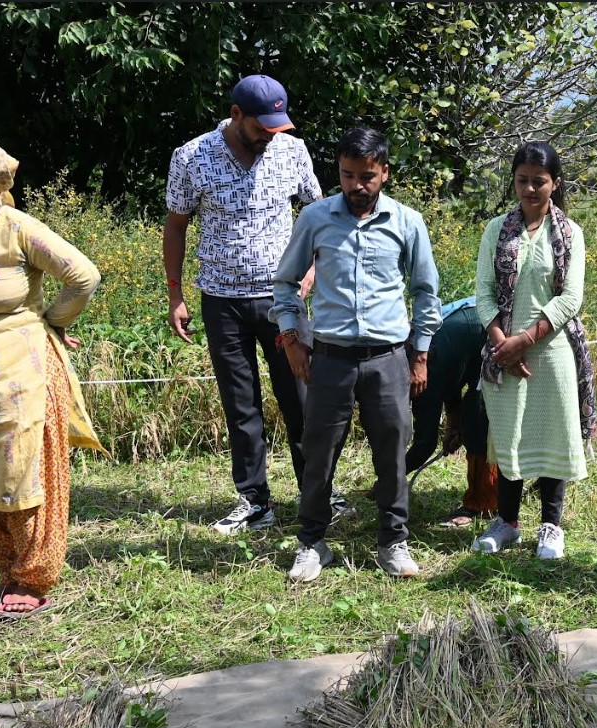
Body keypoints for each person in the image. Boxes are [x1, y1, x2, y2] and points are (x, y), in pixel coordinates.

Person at [164, 74, 350, 536]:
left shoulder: (291, 150)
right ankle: (254, 500)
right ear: (236, 115)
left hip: (283, 300)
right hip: (222, 300)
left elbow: (321, 214)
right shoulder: (192, 157)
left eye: (277, 126)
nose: (270, 135)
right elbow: (176, 225)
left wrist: (311, 274)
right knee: (240, 404)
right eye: (261, 127)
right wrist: (175, 294)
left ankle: (318, 489)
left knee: (302, 398)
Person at [272, 127, 441, 582]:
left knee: (392, 451)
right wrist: (292, 338)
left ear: (384, 172)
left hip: (388, 357)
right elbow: (286, 283)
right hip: (329, 357)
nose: (356, 186)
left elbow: (426, 292)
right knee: (318, 450)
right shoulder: (316, 218)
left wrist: (420, 353)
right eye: (347, 175)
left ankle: (393, 541)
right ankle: (311, 543)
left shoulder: (407, 222)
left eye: (366, 176)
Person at [0, 132, 102, 625]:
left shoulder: (16, 228)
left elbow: (84, 275)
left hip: (22, 374)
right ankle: (7, 571)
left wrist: (52, 322)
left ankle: (31, 580)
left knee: (21, 476)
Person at [473, 141, 596, 561]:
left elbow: (570, 299)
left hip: (552, 350)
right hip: (501, 350)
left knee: (553, 435)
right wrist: (500, 344)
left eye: (538, 182)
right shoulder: (496, 230)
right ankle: (506, 522)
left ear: (554, 184)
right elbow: (483, 294)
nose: (529, 189)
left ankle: (551, 526)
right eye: (522, 180)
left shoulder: (570, 234)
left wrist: (523, 340)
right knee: (509, 434)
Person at [406, 296, 499, 528]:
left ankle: (481, 503)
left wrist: (389, 479)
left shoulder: (420, 372)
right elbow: (453, 377)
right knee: (470, 411)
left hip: (495, 334)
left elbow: (425, 445)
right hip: (470, 337)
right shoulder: (415, 357)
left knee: (478, 415)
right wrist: (454, 424)